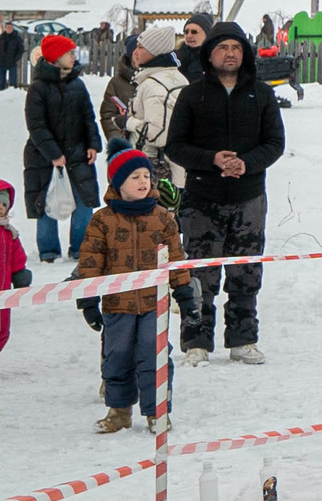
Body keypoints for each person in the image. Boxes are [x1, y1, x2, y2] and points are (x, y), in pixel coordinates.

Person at [164, 22, 284, 363]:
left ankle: (243, 339)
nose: (229, 53)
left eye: (235, 47)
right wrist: (211, 160)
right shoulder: (192, 94)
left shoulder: (261, 93)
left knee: (245, 271)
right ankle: (196, 342)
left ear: (244, 54)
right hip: (203, 197)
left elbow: (275, 143)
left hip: (249, 198)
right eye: (222, 47)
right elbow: (176, 146)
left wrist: (247, 163)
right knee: (200, 272)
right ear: (209, 53)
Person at [75, 149, 194, 433]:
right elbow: (90, 262)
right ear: (117, 183)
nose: (143, 182)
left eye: (146, 176)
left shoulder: (163, 218)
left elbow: (176, 259)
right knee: (116, 356)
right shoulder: (102, 221)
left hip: (155, 305)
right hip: (117, 305)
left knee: (154, 355)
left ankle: (158, 412)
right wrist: (88, 301)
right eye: (134, 177)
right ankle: (118, 411)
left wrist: (185, 294)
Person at [23, 32, 101, 263]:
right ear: (56, 57)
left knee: (84, 202)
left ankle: (79, 247)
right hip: (44, 157)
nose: (74, 57)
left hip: (78, 153)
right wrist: (54, 154)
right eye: (69, 53)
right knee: (46, 203)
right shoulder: (38, 88)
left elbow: (88, 117)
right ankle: (48, 251)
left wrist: (92, 144)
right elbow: (36, 126)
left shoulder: (77, 83)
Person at [116, 26, 190, 190]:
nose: (136, 52)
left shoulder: (155, 85)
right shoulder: (177, 78)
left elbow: (158, 134)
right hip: (174, 169)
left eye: (141, 47)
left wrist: (128, 122)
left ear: (154, 52)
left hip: (155, 170)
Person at [0, 178, 29, 354]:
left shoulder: (9, 233)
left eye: (3, 204)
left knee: (2, 330)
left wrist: (20, 272)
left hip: (4, 293)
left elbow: (17, 255)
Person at [177, 14, 213, 83]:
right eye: (186, 32)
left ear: (206, 34)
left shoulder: (214, 59)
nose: (189, 36)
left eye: (194, 32)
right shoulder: (176, 58)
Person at [0, 20, 23, 90]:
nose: (9, 29)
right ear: (5, 28)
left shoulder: (17, 37)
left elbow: (20, 49)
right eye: (7, 27)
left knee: (13, 82)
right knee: (1, 82)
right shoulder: (1, 37)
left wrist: (15, 58)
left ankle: (13, 95)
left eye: (10, 27)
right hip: (2, 62)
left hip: (12, 62)